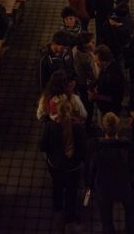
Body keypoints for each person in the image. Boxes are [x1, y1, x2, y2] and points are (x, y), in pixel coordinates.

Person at [87, 112, 134, 234]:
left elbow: (91, 169)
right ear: (118, 128)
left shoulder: (96, 147)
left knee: (106, 219)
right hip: (124, 184)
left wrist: (90, 184)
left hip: (104, 187)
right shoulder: (127, 145)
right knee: (131, 213)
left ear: (103, 128)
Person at [40, 99, 88, 231]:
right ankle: (69, 220)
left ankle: (58, 211)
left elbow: (42, 146)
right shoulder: (78, 128)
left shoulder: (49, 127)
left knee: (57, 187)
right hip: (73, 168)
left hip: (56, 166)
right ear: (70, 111)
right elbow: (84, 150)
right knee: (72, 192)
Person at [88, 45, 125, 116]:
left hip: (110, 111)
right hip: (103, 107)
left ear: (104, 61)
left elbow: (114, 98)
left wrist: (96, 96)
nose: (95, 62)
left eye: (97, 61)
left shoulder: (114, 75)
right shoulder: (106, 66)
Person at [72, 32, 97, 124]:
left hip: (80, 81)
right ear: (85, 45)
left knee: (83, 99)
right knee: (89, 104)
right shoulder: (89, 56)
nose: (93, 42)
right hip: (88, 83)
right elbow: (95, 73)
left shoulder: (75, 50)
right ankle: (87, 122)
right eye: (91, 42)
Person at [104, 2, 134, 67]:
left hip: (117, 46)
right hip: (122, 45)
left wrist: (115, 25)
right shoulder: (129, 21)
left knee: (118, 60)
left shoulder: (114, 24)